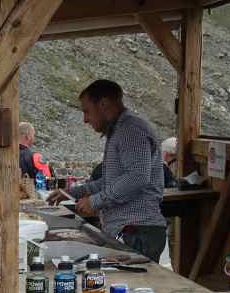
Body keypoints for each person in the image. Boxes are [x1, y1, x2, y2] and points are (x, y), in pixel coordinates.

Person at [49, 79, 167, 262]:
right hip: (130, 230)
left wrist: (95, 202)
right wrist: (70, 193)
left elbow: (137, 177)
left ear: (103, 104)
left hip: (137, 231)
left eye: (87, 111)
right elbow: (109, 182)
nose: (85, 119)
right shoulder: (118, 131)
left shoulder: (130, 131)